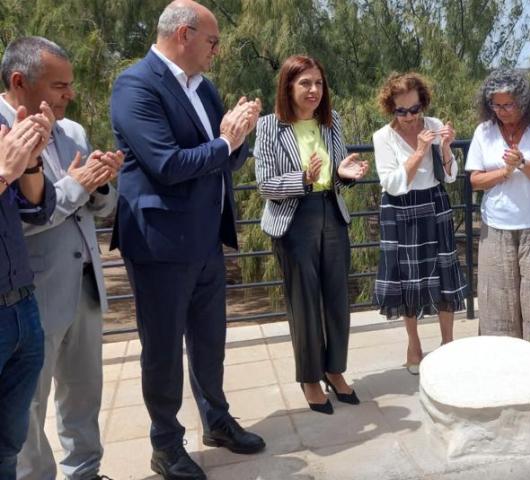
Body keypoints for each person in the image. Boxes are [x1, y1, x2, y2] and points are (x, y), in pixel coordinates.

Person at [109, 1, 265, 478]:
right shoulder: (135, 85)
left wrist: (239, 135)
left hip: (206, 240)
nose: (217, 51)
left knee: (209, 342)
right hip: (159, 244)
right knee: (162, 351)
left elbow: (226, 159)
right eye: (213, 41)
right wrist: (225, 141)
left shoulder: (204, 87)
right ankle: (165, 444)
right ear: (184, 34)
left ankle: (216, 421)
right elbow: (168, 165)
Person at [1, 36, 122, 480]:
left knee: (84, 392)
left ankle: (85, 472)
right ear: (20, 81)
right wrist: (75, 187)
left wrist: (102, 182)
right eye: (59, 86)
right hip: (32, 294)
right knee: (26, 409)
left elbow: (101, 208)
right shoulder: (3, 135)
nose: (70, 94)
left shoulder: (71, 132)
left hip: (85, 286)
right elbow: (22, 219)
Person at [254, 54, 368, 415]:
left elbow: (333, 174)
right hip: (294, 220)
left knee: (336, 299)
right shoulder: (270, 126)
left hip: (331, 214)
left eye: (318, 83)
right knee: (303, 303)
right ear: (288, 86)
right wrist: (302, 179)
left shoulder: (331, 124)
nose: (314, 90)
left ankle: (334, 370)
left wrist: (343, 174)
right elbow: (265, 184)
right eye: (305, 83)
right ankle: (309, 378)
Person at [372, 72, 468, 375]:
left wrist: (444, 148)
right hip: (400, 207)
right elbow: (393, 183)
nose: (410, 117)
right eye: (402, 111)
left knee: (444, 272)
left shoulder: (435, 126)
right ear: (391, 109)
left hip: (435, 202)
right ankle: (414, 346)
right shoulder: (382, 138)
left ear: (422, 104)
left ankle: (448, 343)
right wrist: (419, 152)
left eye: (414, 109)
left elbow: (450, 176)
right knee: (407, 279)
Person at [465, 69, 530, 349]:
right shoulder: (484, 130)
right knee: (498, 298)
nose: (502, 111)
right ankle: (502, 360)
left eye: (508, 104)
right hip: (496, 224)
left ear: (524, 100)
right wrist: (504, 172)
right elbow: (475, 180)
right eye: (496, 104)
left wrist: (523, 164)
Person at [0, 103, 55, 479]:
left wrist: (31, 163)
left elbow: (34, 209)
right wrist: (4, 172)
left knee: (10, 444)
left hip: (22, 305)